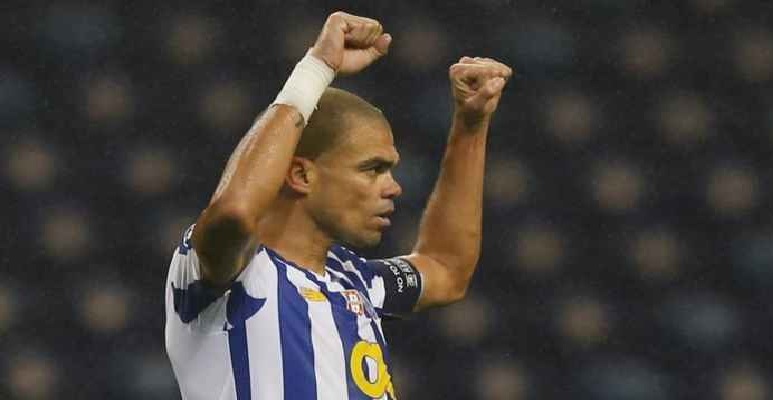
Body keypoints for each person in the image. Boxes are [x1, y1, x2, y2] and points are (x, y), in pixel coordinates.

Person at [164, 11, 512, 400]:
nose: (394, 188)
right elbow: (235, 213)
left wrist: (471, 124)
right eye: (373, 169)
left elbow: (446, 268)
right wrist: (315, 69)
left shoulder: (355, 279)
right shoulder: (227, 274)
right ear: (301, 174)